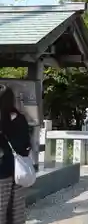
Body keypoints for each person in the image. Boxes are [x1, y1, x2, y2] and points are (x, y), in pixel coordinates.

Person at [0, 85, 31, 224]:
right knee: (17, 210)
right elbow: (26, 146)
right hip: (19, 170)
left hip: (2, 171)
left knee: (1, 210)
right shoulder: (20, 119)